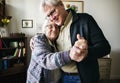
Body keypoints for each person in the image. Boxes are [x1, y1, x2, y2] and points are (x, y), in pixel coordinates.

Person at [30, 0, 111, 83]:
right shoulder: (55, 27)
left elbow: (105, 48)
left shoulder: (85, 20)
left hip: (85, 78)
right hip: (62, 77)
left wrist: (87, 52)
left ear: (61, 4)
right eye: (48, 16)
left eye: (53, 12)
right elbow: (45, 40)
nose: (52, 18)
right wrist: (34, 39)